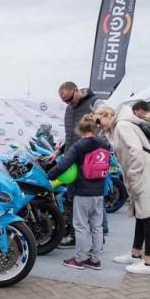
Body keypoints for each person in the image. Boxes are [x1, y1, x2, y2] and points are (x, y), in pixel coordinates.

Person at [93, 105, 150, 274]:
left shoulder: (122, 125)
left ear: (107, 114)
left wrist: (134, 175)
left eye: (99, 121)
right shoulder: (121, 124)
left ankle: (149, 263)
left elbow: (136, 151)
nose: (99, 125)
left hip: (145, 174)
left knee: (148, 217)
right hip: (145, 173)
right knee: (142, 215)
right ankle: (135, 254)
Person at [46, 114, 108, 270]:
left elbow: (63, 165)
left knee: (80, 226)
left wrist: (48, 176)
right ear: (95, 129)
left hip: (83, 192)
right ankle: (96, 260)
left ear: (80, 131)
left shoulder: (78, 146)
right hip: (99, 192)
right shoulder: (103, 144)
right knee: (97, 226)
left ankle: (79, 259)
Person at [45, 82, 100, 248]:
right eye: (65, 102)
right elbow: (69, 136)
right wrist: (57, 153)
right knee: (73, 198)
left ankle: (82, 237)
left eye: (70, 99)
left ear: (76, 90)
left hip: (87, 161)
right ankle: (81, 234)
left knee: (86, 200)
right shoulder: (69, 109)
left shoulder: (95, 102)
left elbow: (105, 128)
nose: (69, 104)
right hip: (72, 160)